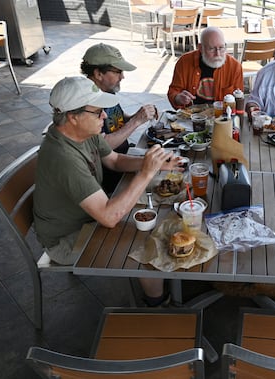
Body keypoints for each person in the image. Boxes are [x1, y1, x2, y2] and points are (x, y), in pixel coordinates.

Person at [34, 76, 181, 307]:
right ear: (73, 116)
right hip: (67, 239)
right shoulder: (63, 157)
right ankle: (158, 304)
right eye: (97, 112)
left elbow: (114, 160)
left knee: (151, 216)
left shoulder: (82, 133)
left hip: (90, 216)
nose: (105, 116)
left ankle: (163, 285)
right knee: (145, 241)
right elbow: (109, 217)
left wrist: (154, 164)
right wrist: (145, 173)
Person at [81, 43, 160, 193]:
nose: (122, 77)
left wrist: (139, 115)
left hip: (124, 156)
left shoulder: (106, 91)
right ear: (98, 74)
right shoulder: (87, 103)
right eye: (118, 72)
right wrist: (136, 121)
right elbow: (103, 146)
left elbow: (117, 119)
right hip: (112, 176)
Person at [167, 27, 243, 109]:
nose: (218, 54)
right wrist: (178, 98)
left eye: (221, 48)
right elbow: (173, 91)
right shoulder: (184, 62)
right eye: (212, 49)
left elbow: (238, 101)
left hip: (221, 117)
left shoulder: (234, 67)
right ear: (200, 48)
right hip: (191, 116)